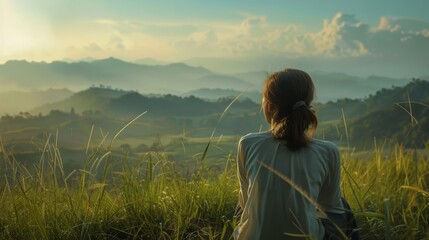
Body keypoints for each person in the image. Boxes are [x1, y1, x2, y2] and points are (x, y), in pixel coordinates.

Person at [234, 68, 350, 239]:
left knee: (242, 202)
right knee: (342, 206)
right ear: (308, 104)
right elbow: (331, 210)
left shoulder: (248, 144)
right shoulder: (327, 151)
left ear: (270, 106)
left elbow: (245, 204)